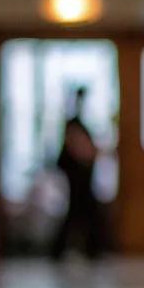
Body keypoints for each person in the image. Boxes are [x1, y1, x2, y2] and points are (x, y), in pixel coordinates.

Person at [51, 86, 103, 261]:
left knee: (82, 210)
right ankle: (62, 250)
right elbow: (77, 147)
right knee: (79, 209)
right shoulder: (73, 123)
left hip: (81, 173)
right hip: (76, 173)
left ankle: (91, 249)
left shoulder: (80, 122)